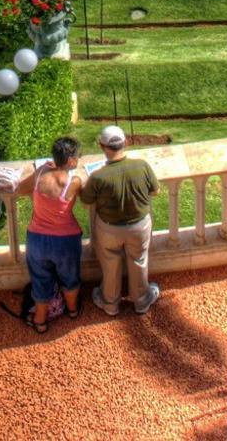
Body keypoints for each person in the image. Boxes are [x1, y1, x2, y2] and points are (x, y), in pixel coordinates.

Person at [79, 124, 159, 316]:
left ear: (101, 146)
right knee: (139, 260)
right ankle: (141, 302)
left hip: (109, 229)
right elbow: (156, 191)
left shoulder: (97, 177)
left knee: (109, 263)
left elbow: (85, 202)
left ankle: (110, 304)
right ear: (126, 143)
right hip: (139, 226)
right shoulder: (142, 165)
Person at [16, 136, 87, 333]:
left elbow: (21, 188)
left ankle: (40, 321)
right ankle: (72, 310)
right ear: (71, 161)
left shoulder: (40, 173)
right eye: (78, 157)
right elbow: (88, 199)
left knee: (40, 279)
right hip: (66, 240)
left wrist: (43, 169)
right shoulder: (74, 181)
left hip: (37, 239)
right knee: (70, 277)